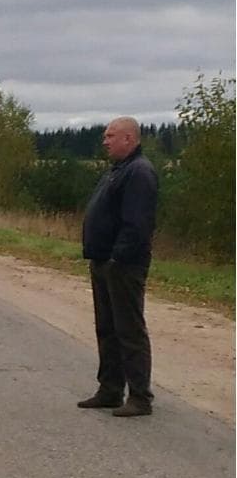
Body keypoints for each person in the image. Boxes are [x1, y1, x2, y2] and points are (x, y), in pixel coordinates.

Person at [77, 116, 159, 417]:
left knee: (129, 329)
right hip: (104, 261)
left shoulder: (139, 172)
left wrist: (117, 258)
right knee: (107, 328)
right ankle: (110, 389)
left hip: (123, 265)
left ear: (129, 138)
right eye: (105, 136)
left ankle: (140, 397)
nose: (105, 140)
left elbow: (137, 225)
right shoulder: (119, 170)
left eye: (111, 136)